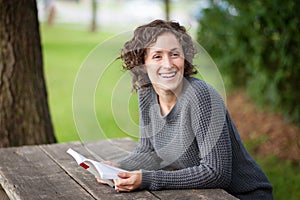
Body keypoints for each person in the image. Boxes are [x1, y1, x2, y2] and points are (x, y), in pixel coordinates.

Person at [97, 19, 273, 199]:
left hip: (241, 195)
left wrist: (148, 179)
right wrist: (119, 168)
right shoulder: (147, 93)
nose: (168, 64)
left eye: (174, 54)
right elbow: (149, 151)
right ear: (143, 63)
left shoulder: (202, 97)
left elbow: (217, 173)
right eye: (157, 56)